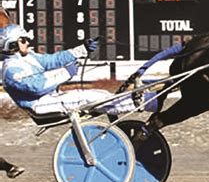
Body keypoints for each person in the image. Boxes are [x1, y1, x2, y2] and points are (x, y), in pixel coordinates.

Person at [0, 23, 159, 116]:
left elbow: (54, 59)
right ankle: (147, 102)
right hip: (40, 105)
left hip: (51, 98)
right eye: (23, 40)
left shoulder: (28, 57)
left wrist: (82, 49)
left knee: (100, 94)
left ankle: (148, 100)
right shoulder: (11, 70)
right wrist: (66, 73)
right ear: (12, 44)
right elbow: (36, 87)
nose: (28, 42)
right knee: (89, 97)